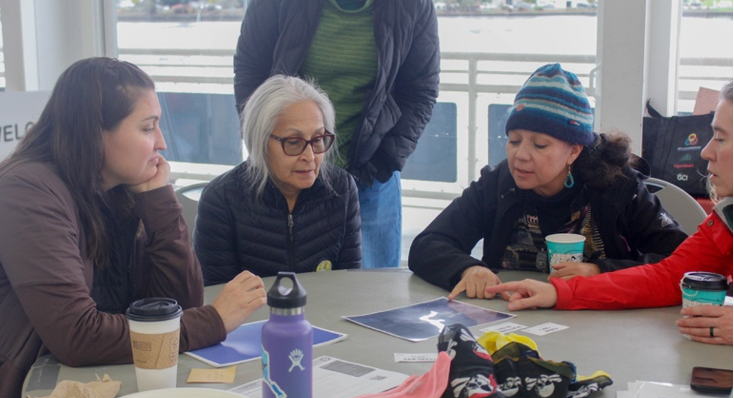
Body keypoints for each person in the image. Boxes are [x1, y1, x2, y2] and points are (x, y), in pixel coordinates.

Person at [0, 57, 267, 398]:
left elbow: (179, 306)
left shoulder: (115, 188)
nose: (161, 143)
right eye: (147, 128)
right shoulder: (27, 191)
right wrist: (213, 321)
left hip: (98, 388)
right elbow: (77, 336)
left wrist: (158, 201)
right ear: (94, 132)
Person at [409, 63, 688, 299]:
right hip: (512, 321)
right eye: (513, 141)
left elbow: (681, 262)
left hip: (600, 322)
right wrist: (468, 269)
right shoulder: (498, 183)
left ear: (574, 150)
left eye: (540, 145)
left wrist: (601, 270)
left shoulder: (619, 187)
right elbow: (428, 244)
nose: (520, 156)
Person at [486, 80, 734, 347]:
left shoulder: (621, 187)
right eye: (514, 141)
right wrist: (558, 292)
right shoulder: (725, 220)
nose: (706, 151)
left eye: (720, 138)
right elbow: (669, 276)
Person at [233, 0, 440, 268]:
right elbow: (250, 70)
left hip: (370, 174)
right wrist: (267, 147)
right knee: (283, 290)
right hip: (284, 171)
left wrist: (384, 162)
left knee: (371, 297)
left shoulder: (412, 5)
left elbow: (421, 91)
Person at [194, 75, 362, 283]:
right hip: (254, 316)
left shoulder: (341, 188)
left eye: (318, 139)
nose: (309, 157)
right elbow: (217, 298)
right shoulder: (221, 200)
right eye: (293, 142)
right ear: (260, 141)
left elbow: (350, 285)